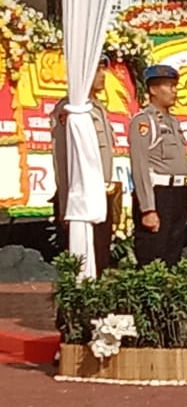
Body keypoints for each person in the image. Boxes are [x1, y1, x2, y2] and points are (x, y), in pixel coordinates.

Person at [50, 57, 116, 274]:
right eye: (96, 70)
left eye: (102, 69)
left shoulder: (97, 107)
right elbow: (62, 156)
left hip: (99, 192)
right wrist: (66, 200)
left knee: (100, 256)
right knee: (83, 260)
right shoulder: (69, 109)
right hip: (80, 194)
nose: (102, 75)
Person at [129, 65, 187, 267]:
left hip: (178, 193)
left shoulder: (173, 122)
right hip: (159, 194)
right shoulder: (144, 121)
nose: (174, 91)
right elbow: (139, 166)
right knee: (153, 253)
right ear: (153, 90)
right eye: (169, 86)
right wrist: (148, 208)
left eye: (175, 86)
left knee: (173, 253)